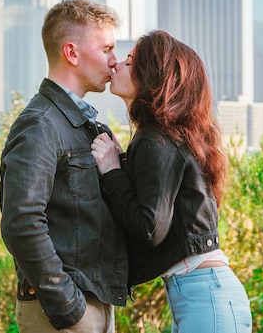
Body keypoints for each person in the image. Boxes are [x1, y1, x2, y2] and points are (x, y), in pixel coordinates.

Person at [90, 30, 253, 332]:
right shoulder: (164, 139)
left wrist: (112, 171)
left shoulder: (157, 141)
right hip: (204, 296)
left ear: (152, 77)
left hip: (206, 299)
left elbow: (150, 227)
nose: (117, 66)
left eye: (129, 61)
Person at [0, 0, 128, 332]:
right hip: (63, 314)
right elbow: (21, 221)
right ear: (71, 53)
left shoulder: (87, 126)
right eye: (106, 49)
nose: (115, 62)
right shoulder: (41, 124)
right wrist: (69, 306)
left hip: (94, 305)